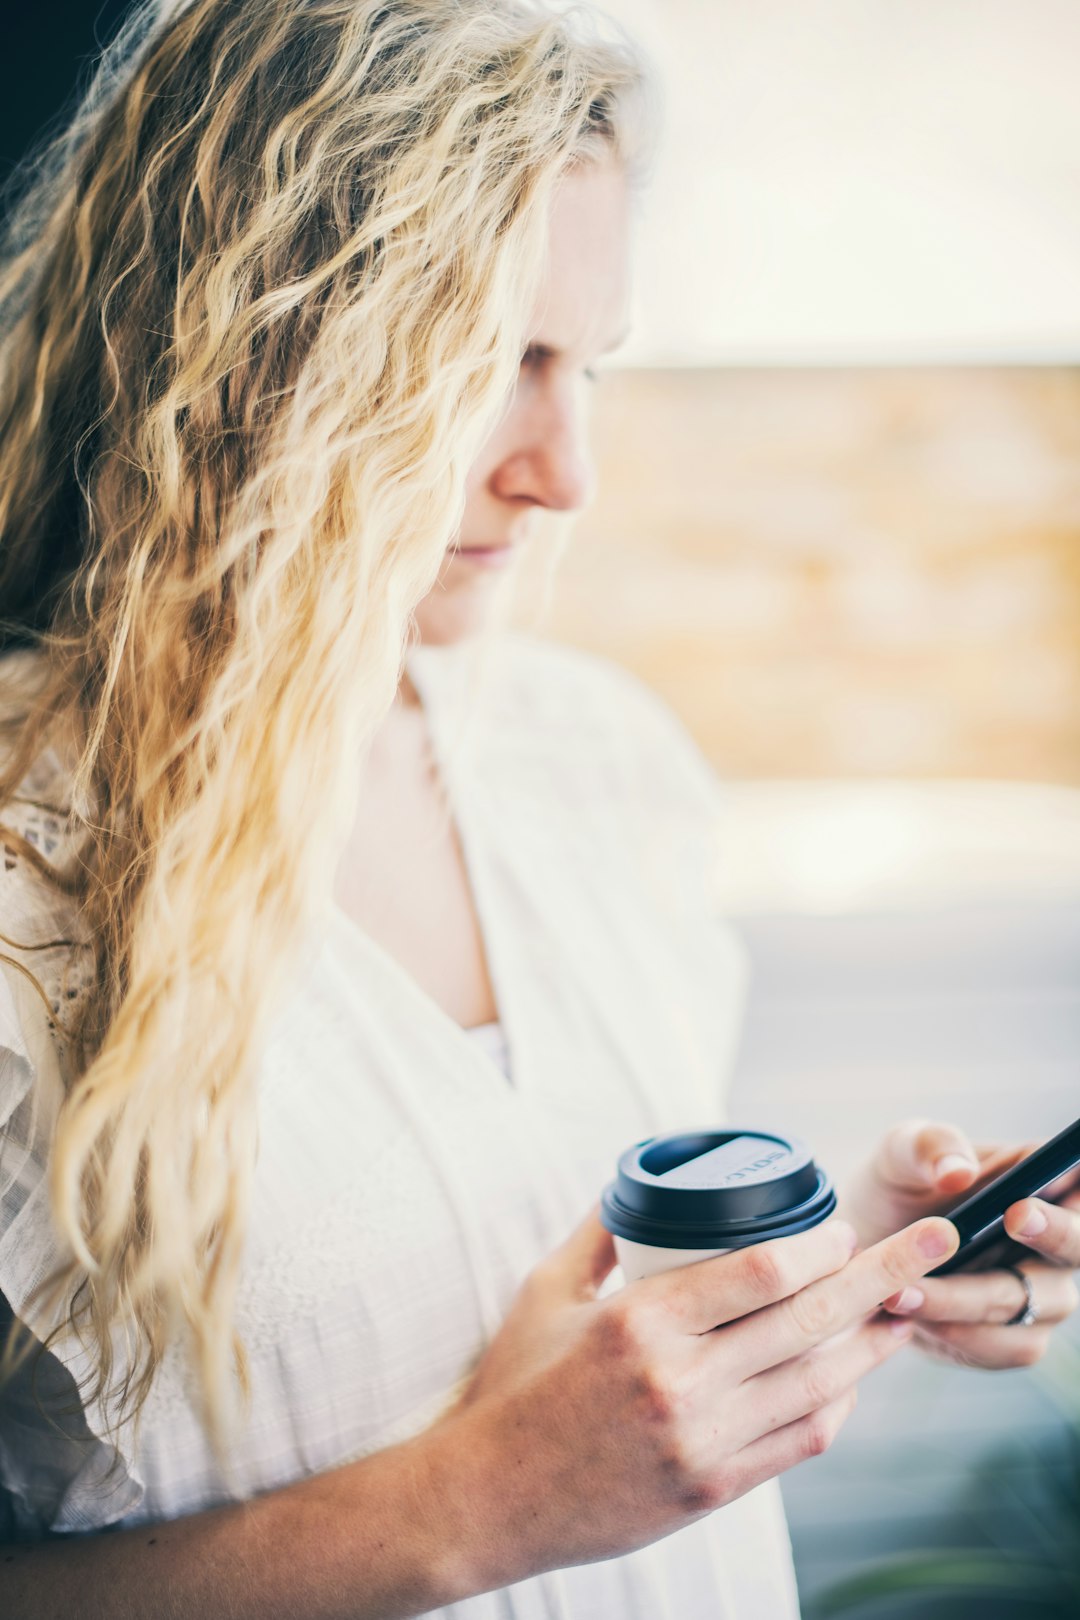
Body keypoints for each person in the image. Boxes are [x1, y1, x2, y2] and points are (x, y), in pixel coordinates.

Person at [1, 2, 1078, 1616]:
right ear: (250, 345)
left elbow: (571, 1341)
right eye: (496, 362)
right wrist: (482, 1502)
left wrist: (848, 1275)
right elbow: (530, 1472)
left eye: (586, 365)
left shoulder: (595, 769)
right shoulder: (32, 887)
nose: (565, 472)